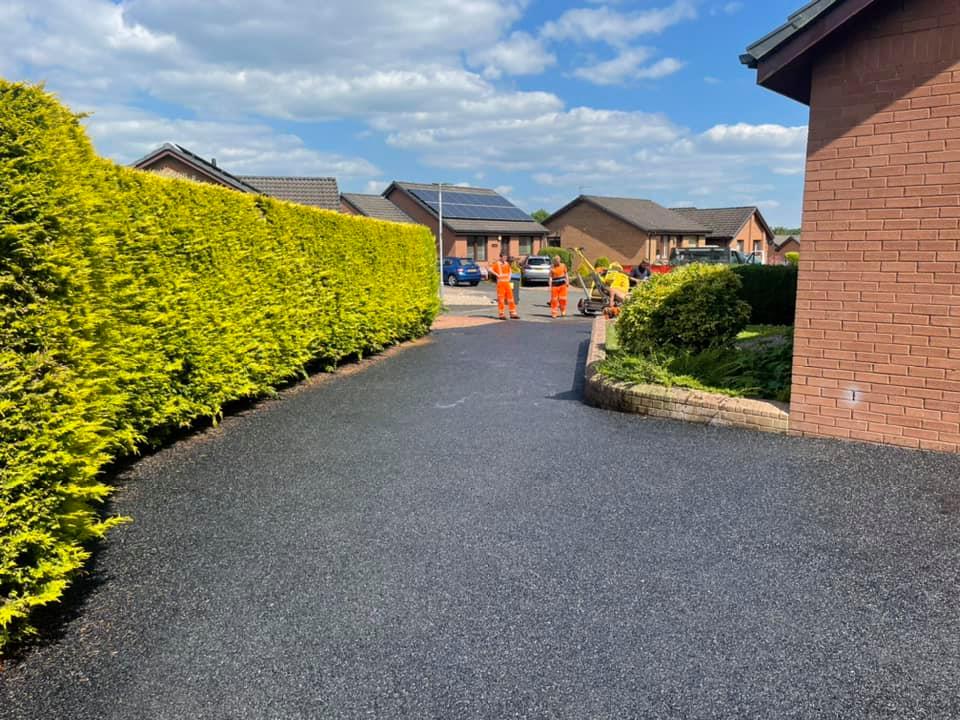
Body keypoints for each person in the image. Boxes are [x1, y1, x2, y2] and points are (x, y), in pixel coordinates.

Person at [489, 254, 519, 320]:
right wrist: (497, 275)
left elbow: (510, 271)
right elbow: (490, 269)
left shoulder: (506, 263)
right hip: (500, 283)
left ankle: (513, 313)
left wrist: (509, 277)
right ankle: (501, 314)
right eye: (504, 257)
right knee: (501, 299)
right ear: (501, 257)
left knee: (511, 298)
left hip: (507, 283)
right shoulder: (497, 264)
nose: (505, 258)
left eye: (506, 257)